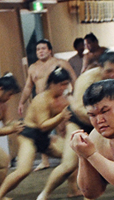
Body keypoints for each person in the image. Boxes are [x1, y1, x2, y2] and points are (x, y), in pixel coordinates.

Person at [30, 51, 114, 200]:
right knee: (69, 165)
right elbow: (77, 107)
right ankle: (42, 196)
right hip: (79, 121)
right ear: (100, 68)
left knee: (106, 160)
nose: (112, 74)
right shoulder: (87, 79)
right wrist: (100, 120)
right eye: (108, 71)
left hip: (104, 124)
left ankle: (90, 199)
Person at [0, 67, 71, 200]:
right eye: (61, 84)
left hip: (44, 137)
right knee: (23, 170)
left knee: (72, 154)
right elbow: (43, 125)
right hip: (29, 136)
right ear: (52, 84)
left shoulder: (63, 99)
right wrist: (61, 116)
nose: (64, 87)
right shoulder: (41, 99)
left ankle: (74, 189)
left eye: (66, 84)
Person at [17, 39, 73, 171]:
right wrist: (21, 102)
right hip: (41, 102)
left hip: (57, 101)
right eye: (38, 49)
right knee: (42, 129)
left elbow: (73, 78)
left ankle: (66, 156)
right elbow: (28, 86)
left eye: (43, 48)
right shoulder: (33, 67)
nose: (40, 51)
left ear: (50, 50)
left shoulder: (60, 63)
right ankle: (45, 161)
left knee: (62, 128)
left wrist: (73, 95)